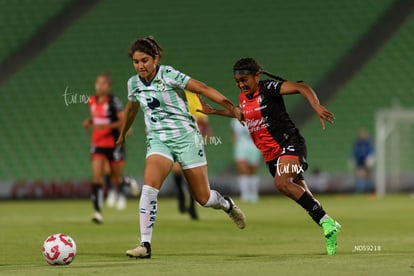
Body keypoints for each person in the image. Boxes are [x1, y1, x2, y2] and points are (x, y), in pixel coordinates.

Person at [117, 36, 246, 259]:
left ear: (155, 58)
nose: (140, 66)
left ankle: (226, 204)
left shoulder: (168, 74)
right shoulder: (133, 84)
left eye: (145, 60)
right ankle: (145, 244)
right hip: (158, 140)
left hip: (187, 138)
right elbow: (131, 109)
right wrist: (121, 135)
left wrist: (231, 107)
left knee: (203, 198)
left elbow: (203, 89)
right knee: (149, 187)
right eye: (136, 61)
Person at [198, 57, 341, 255]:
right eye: (237, 82)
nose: (241, 85)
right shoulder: (242, 98)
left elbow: (302, 87)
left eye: (244, 80)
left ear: (257, 76)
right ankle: (330, 226)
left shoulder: (269, 89)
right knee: (308, 199)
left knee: (281, 183)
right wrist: (214, 111)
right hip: (271, 156)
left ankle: (327, 222)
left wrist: (316, 106)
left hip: (290, 144)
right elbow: (241, 115)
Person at [83, 73, 128, 223]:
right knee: (97, 177)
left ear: (108, 86)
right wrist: (89, 122)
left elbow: (122, 122)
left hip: (113, 143)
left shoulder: (113, 101)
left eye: (103, 84)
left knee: (115, 177)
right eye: (98, 83)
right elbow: (96, 118)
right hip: (97, 143)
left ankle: (125, 184)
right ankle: (97, 212)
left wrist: (106, 126)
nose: (100, 86)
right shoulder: (92, 100)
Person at [172, 91, 212, 220]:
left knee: (191, 176)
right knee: (177, 170)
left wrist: (205, 136)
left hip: (192, 142)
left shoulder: (192, 101)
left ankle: (192, 207)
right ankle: (181, 196)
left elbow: (204, 122)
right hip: (174, 141)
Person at [230, 118, 262, 202]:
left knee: (252, 171)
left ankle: (254, 194)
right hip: (241, 147)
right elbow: (233, 133)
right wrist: (236, 144)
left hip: (254, 146)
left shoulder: (255, 119)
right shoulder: (235, 120)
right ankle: (245, 195)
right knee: (243, 170)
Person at [351, 128, 375, 193]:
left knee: (369, 177)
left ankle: (369, 191)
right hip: (360, 164)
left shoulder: (368, 143)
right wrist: (352, 159)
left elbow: (372, 151)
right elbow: (354, 152)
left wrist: (371, 158)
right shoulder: (357, 143)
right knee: (359, 177)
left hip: (367, 163)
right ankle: (359, 191)